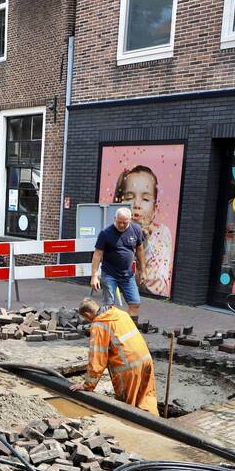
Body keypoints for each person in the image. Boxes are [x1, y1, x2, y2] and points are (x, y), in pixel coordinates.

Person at [70, 297, 158, 416]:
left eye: (86, 318)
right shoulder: (121, 313)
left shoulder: (99, 325)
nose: (88, 321)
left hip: (128, 368)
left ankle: (131, 430)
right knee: (146, 397)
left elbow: (98, 358)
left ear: (87, 313)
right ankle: (156, 424)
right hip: (146, 360)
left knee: (127, 407)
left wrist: (87, 386)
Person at [113, 165, 173, 297]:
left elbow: (157, 288)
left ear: (154, 209)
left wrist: (144, 246)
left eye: (145, 199)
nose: (137, 205)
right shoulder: (113, 231)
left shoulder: (161, 234)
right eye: (129, 197)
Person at [90, 207, 147, 318]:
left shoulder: (136, 230)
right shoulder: (105, 233)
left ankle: (129, 332)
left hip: (127, 275)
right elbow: (97, 254)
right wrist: (94, 276)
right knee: (109, 306)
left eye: (124, 223)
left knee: (135, 303)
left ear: (130, 220)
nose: (121, 225)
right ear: (114, 219)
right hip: (109, 274)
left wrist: (143, 271)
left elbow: (140, 250)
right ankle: (109, 332)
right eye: (119, 222)